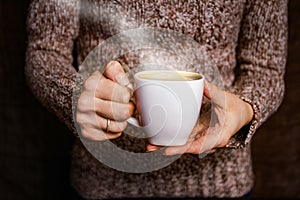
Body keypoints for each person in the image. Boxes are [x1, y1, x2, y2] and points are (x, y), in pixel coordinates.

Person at [25, 0, 287, 198]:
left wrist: (242, 110)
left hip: (223, 184)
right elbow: (44, 50)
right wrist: (72, 95)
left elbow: (266, 69)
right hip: (100, 183)